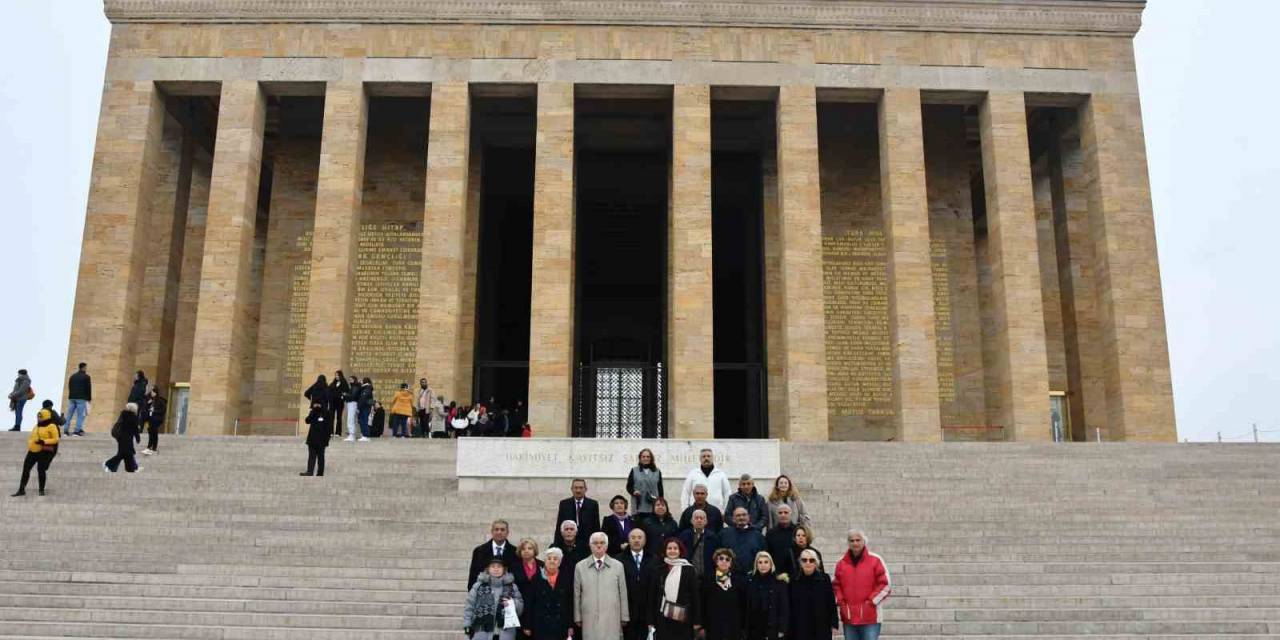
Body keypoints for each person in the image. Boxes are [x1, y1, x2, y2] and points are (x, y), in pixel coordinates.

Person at [832, 529, 890, 640]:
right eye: (851, 540)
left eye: (858, 540)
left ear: (864, 541)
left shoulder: (876, 560)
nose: (855, 543)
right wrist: (841, 602)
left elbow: (885, 585)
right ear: (848, 543)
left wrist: (871, 602)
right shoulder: (841, 563)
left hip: (870, 618)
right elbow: (836, 585)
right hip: (849, 618)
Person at [574, 532, 628, 640]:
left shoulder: (617, 566)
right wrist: (577, 616)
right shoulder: (580, 566)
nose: (599, 545)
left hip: (612, 616)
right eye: (595, 543)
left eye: (602, 543)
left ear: (607, 546)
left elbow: (623, 592)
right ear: (590, 545)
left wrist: (624, 615)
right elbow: (577, 593)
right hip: (589, 616)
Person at [647, 538, 700, 640]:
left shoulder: (689, 569)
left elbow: (695, 596)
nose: (672, 551)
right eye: (669, 548)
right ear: (665, 551)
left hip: (683, 618)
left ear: (680, 551)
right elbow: (652, 597)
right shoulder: (658, 570)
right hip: (662, 618)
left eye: (675, 548)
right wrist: (650, 621)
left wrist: (697, 621)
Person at [464, 557, 525, 640]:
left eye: (499, 567)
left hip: (506, 632)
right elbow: (469, 606)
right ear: (488, 569)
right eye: (493, 566)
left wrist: (512, 603)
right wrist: (467, 625)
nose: (496, 569)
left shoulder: (512, 587)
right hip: (482, 632)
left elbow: (520, 608)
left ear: (504, 569)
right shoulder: (478, 586)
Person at [521, 547, 574, 640]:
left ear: (560, 562)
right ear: (545, 561)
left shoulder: (566, 578)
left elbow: (570, 603)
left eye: (555, 558)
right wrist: (527, 625)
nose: (552, 561)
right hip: (541, 625)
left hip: (561, 625)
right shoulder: (536, 578)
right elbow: (529, 603)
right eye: (549, 558)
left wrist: (570, 625)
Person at [11, 400, 61, 496]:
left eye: (41, 417)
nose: (39, 418)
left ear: (46, 416)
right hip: (32, 450)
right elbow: (32, 436)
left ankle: (41, 490)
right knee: (26, 469)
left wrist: (44, 441)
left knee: (40, 469)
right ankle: (21, 489)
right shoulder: (36, 426)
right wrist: (30, 443)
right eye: (38, 417)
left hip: (44, 451)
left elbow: (56, 439)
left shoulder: (52, 426)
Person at [789, 548, 838, 640]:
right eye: (804, 560)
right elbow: (789, 604)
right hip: (800, 625)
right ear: (800, 563)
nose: (808, 563)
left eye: (811, 560)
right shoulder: (793, 580)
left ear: (816, 563)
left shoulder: (825, 579)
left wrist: (834, 623)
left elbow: (831, 602)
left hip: (821, 625)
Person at [616, 529, 656, 640]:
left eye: (639, 537)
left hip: (647, 612)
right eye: (633, 537)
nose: (636, 540)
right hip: (628, 612)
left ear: (645, 540)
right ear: (628, 540)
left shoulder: (653, 559)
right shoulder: (619, 560)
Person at [699, 548, 747, 640]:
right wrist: (702, 626)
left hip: (733, 627)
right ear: (716, 561)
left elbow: (742, 605)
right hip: (713, 626)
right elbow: (702, 604)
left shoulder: (738, 581)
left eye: (727, 559)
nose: (724, 561)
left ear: (731, 563)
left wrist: (743, 627)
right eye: (721, 558)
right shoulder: (707, 580)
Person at [745, 552, 789, 640]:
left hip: (773, 630)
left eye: (766, 562)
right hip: (755, 630)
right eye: (760, 562)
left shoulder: (780, 583)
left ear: (771, 564)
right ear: (756, 565)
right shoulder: (750, 582)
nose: (763, 565)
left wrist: (782, 629)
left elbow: (784, 608)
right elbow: (747, 608)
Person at [469, 520, 521, 591]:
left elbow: (518, 576)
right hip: (484, 594)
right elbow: (473, 575)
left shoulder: (516, 552)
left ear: (507, 533)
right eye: (496, 529)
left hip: (507, 594)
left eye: (502, 530)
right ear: (492, 532)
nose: (499, 532)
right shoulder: (479, 551)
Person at [554, 479, 601, 548]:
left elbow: (596, 526)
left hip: (586, 544)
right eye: (575, 488)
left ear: (586, 489)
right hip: (568, 544)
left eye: (581, 488)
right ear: (571, 489)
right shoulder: (564, 504)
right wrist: (556, 544)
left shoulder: (592, 504)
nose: (578, 490)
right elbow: (559, 525)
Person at [719, 507, 766, 575]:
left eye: (744, 515)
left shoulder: (758, 536)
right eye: (738, 515)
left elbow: (763, 557)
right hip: (727, 576)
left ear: (749, 517)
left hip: (751, 577)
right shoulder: (724, 534)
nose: (741, 517)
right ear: (733, 519)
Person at [677, 510, 720, 578]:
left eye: (702, 518)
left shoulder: (713, 537)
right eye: (696, 518)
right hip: (689, 576)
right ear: (691, 521)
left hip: (708, 576)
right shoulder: (684, 536)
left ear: (706, 521)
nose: (699, 520)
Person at [626, 448, 663, 524]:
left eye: (648, 456)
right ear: (640, 458)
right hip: (639, 506)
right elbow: (629, 486)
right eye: (643, 456)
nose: (645, 458)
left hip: (653, 505)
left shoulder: (657, 471)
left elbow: (660, 488)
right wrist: (633, 492)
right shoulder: (634, 470)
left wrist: (661, 504)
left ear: (651, 458)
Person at [104, 402, 142, 473]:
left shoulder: (123, 415)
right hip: (127, 438)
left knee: (128, 454)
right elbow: (135, 430)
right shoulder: (133, 417)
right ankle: (108, 464)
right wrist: (138, 438)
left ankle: (131, 469)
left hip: (121, 437)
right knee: (124, 454)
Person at [764, 505, 798, 578]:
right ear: (777, 515)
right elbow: (767, 554)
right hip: (777, 574)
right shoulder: (770, 534)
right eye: (780, 513)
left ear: (791, 514)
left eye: (786, 512)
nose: (783, 515)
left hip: (796, 574)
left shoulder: (798, 531)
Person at [301, 401, 329, 476]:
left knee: (321, 456)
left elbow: (329, 427)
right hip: (312, 439)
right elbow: (307, 421)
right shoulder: (313, 412)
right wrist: (313, 411)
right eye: (315, 404)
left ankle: (320, 473)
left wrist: (327, 440)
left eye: (318, 404)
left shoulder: (326, 413)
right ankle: (310, 471)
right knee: (311, 456)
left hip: (322, 439)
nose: (316, 405)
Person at [65, 362, 91, 436]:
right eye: (86, 367)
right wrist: (89, 398)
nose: (86, 369)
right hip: (81, 398)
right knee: (80, 415)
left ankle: (66, 431)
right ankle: (76, 431)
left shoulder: (72, 376)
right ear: (83, 367)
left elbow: (69, 386)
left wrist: (71, 395)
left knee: (69, 414)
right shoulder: (86, 377)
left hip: (72, 398)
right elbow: (88, 388)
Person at [141, 385, 166, 455]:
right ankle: (149, 447)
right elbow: (146, 408)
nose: (151, 393)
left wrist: (154, 411)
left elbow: (163, 410)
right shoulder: (150, 400)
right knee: (150, 432)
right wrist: (148, 404)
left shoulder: (160, 401)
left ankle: (153, 448)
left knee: (154, 433)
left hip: (156, 419)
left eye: (152, 391)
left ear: (155, 392)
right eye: (151, 391)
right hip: (150, 419)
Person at [328, 370, 348, 436]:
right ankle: (330, 432)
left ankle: (338, 432)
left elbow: (346, 391)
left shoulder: (344, 382)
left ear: (340, 375)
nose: (336, 376)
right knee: (331, 417)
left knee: (339, 417)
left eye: (337, 375)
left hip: (339, 402)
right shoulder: (333, 382)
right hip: (332, 402)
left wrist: (342, 397)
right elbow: (329, 389)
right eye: (335, 375)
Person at [343, 374, 361, 441]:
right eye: (349, 380)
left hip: (352, 403)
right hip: (351, 403)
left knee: (350, 419)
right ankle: (351, 434)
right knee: (350, 419)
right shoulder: (353, 387)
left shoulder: (355, 387)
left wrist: (345, 395)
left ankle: (352, 435)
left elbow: (353, 396)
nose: (350, 381)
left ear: (354, 380)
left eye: (351, 379)